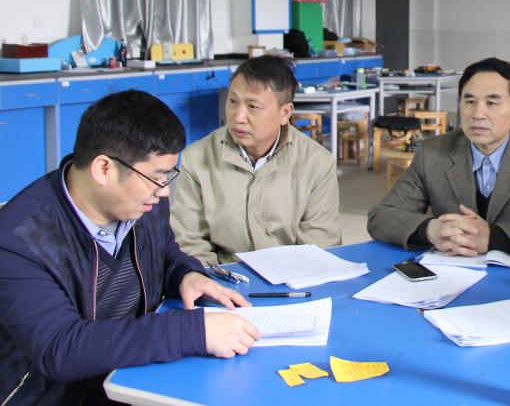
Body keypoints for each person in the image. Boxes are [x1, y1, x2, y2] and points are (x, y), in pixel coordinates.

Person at [0, 91, 260, 405]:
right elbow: (60, 348)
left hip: (131, 376)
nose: (164, 192)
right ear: (104, 169)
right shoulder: (17, 242)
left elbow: (164, 252)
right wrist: (190, 331)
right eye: (157, 176)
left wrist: (185, 274)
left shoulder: (142, 203)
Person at [367, 57, 510, 256]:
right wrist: (431, 230)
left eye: (492, 103)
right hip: (452, 274)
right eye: (470, 101)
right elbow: (382, 217)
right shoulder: (432, 153)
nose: (478, 114)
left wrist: (493, 237)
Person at [171, 55, 342, 264]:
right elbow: (189, 242)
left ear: (285, 113)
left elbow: (320, 248)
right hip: (223, 277)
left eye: (252, 106)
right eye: (232, 102)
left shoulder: (317, 163)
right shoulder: (197, 158)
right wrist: (215, 279)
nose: (238, 116)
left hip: (293, 276)